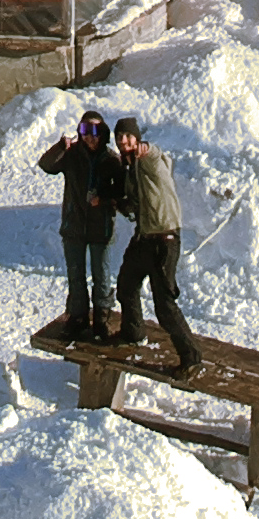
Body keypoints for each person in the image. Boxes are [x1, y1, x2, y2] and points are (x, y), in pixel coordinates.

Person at [106, 115, 199, 369]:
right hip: (144, 239)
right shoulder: (130, 169)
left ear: (136, 138)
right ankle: (132, 333)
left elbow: (155, 155)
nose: (124, 141)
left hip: (164, 242)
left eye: (128, 136)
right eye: (119, 137)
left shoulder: (148, 159)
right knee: (126, 285)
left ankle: (191, 358)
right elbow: (136, 204)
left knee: (164, 306)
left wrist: (147, 148)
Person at [37, 107, 125, 339]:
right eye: (85, 129)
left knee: (101, 275)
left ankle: (102, 318)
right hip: (74, 225)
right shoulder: (71, 155)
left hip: (101, 227)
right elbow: (46, 165)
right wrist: (60, 146)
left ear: (103, 133)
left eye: (96, 130)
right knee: (75, 274)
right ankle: (78, 316)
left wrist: (105, 200)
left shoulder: (111, 159)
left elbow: (122, 192)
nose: (90, 136)